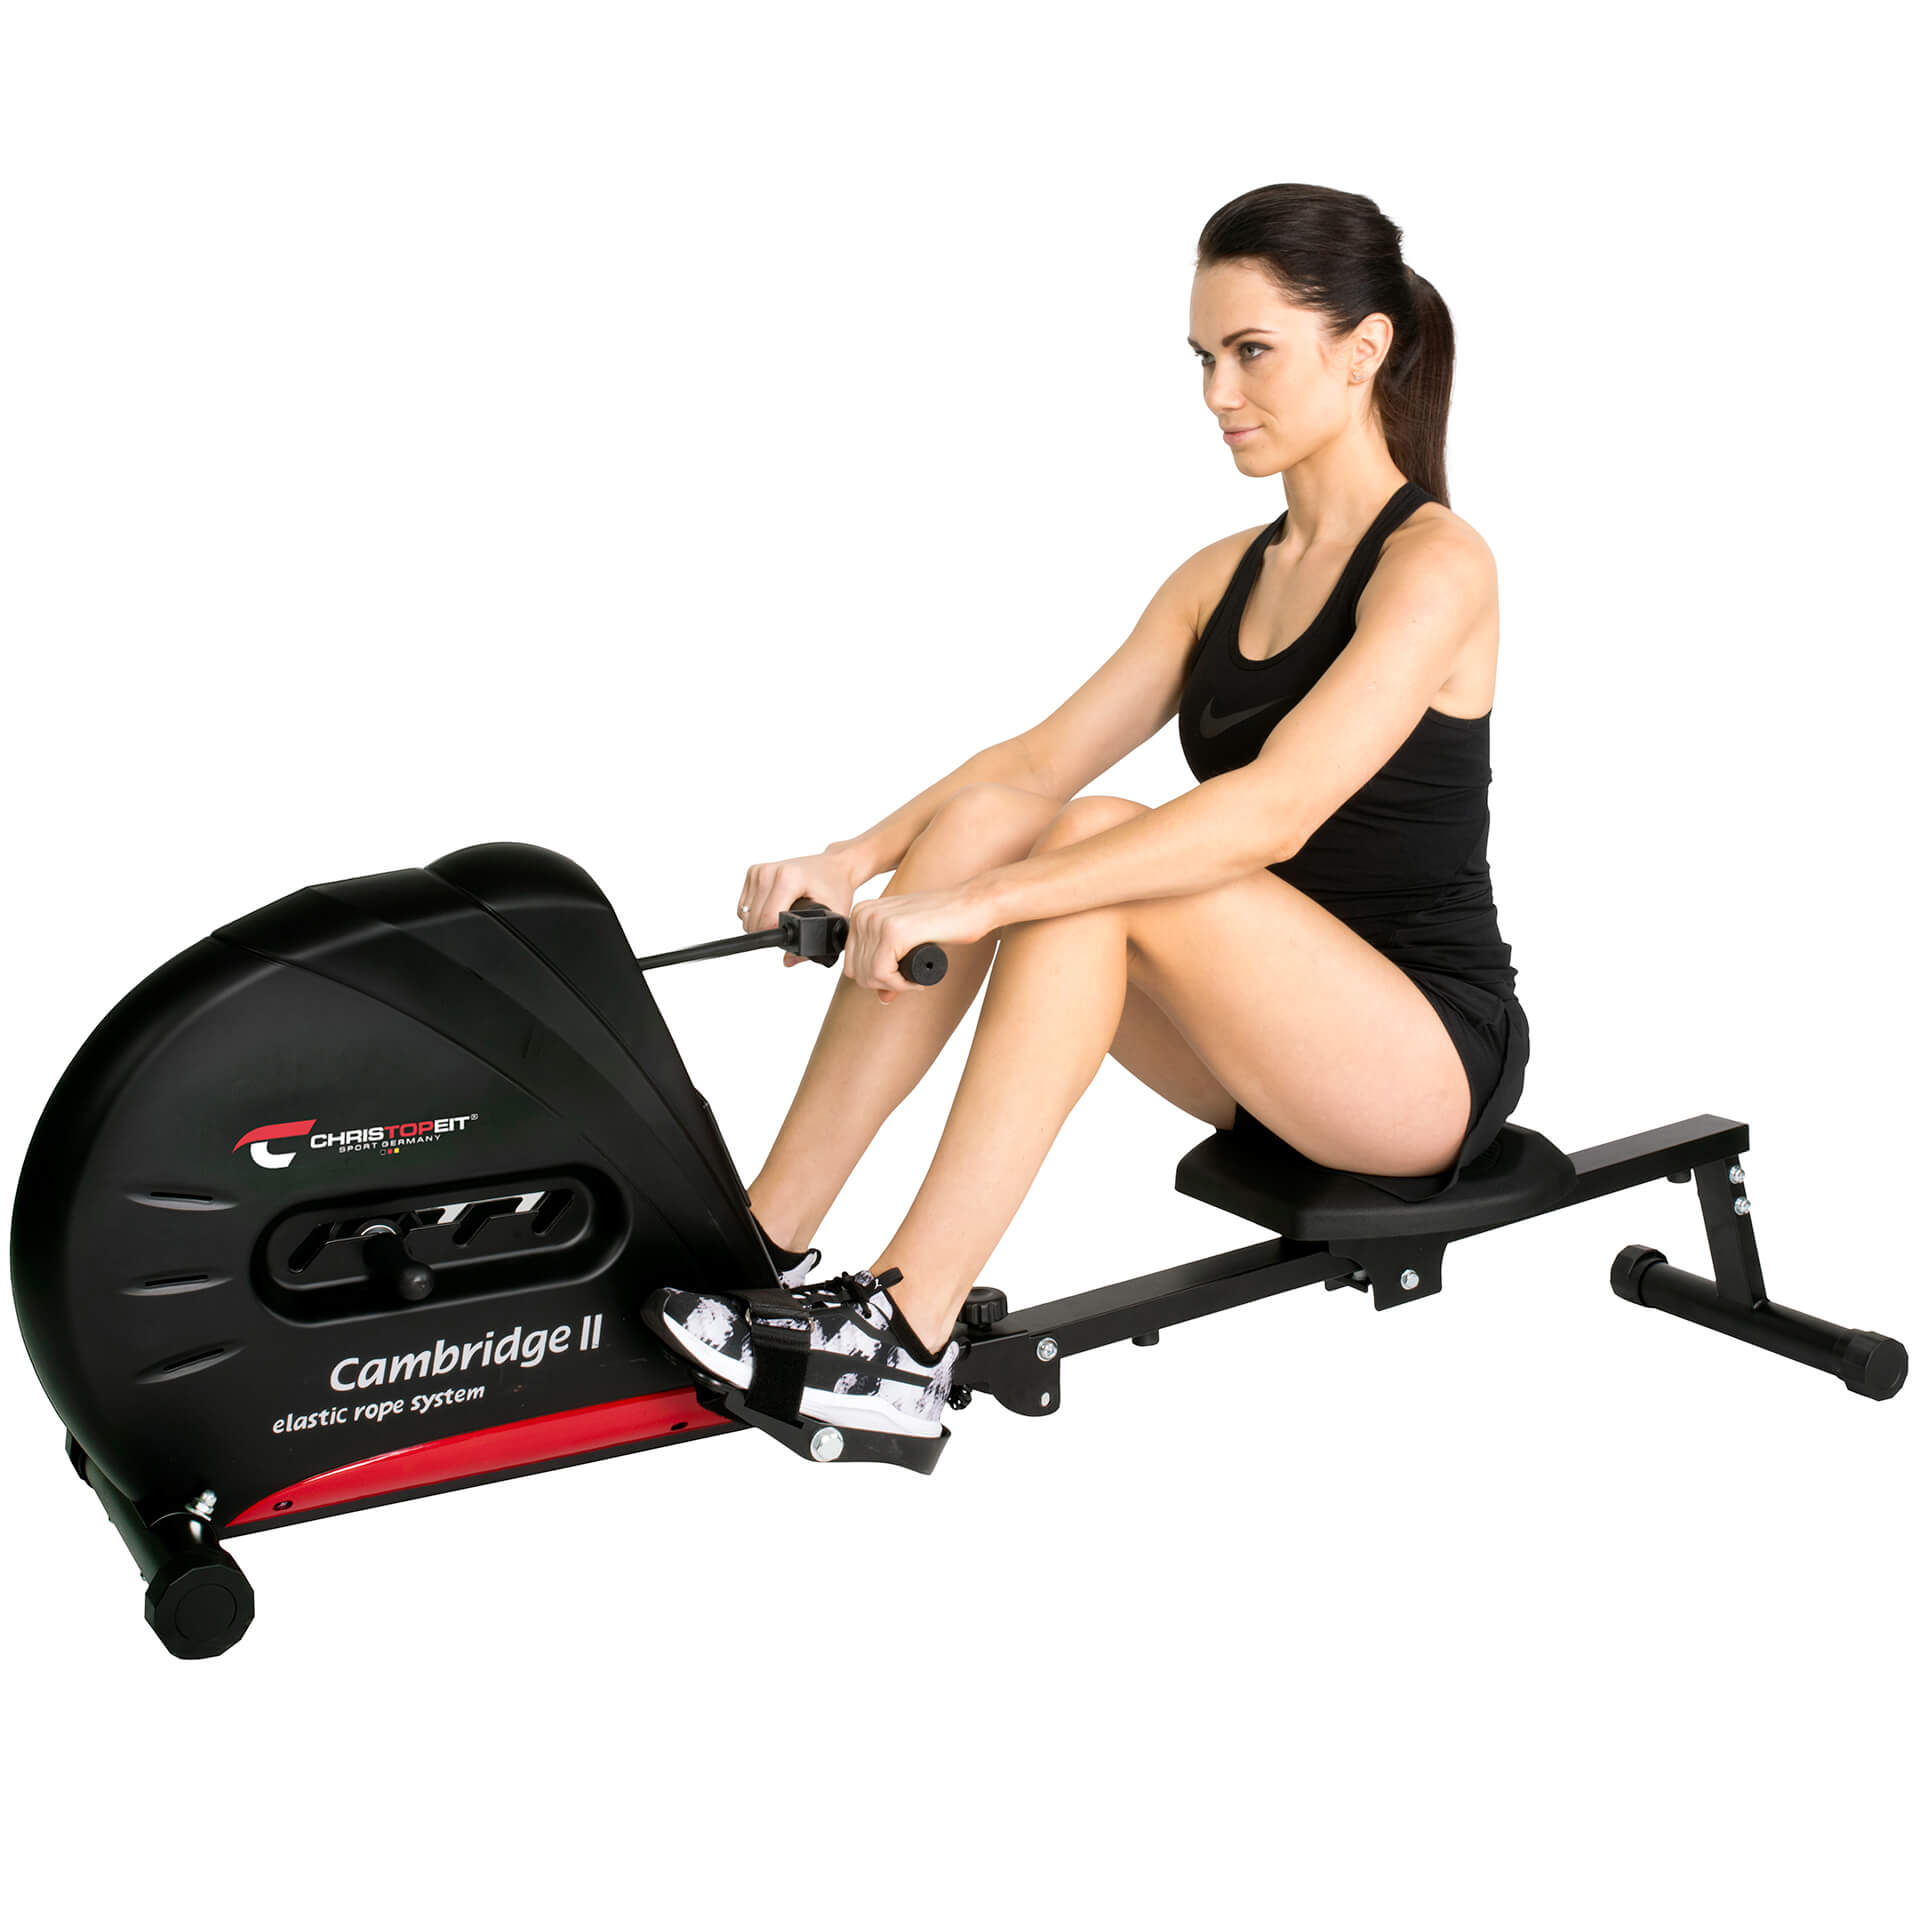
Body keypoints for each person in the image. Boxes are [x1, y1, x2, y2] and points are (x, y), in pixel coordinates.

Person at [645, 182, 1529, 1455]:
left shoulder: (1438, 564)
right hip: (1261, 1051)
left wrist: (980, 907)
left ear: (1364, 348)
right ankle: (758, 1244)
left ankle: (907, 1334)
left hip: (1419, 1063)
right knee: (1014, 822)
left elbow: (1273, 813)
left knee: (1087, 852)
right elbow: (1033, 762)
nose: (1218, 393)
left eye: (1252, 352)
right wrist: (856, 859)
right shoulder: (1222, 576)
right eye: (1203, 358)